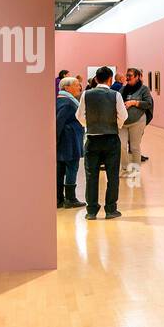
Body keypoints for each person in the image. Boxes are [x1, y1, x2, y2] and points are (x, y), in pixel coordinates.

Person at [75, 66, 127, 220]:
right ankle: (111, 209)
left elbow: (79, 116)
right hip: (111, 139)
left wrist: (89, 125)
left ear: (96, 79)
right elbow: (123, 115)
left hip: (92, 138)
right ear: (110, 79)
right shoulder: (115, 95)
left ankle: (91, 211)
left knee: (91, 175)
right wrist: (114, 125)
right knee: (112, 175)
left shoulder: (86, 94)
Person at [55, 74, 86, 209]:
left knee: (60, 170)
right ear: (67, 88)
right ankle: (70, 199)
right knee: (72, 168)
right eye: (76, 85)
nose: (79, 87)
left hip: (64, 141)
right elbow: (58, 123)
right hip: (69, 142)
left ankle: (59, 198)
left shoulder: (62, 100)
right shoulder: (67, 103)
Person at [118, 67, 153, 177]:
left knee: (134, 147)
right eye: (127, 76)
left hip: (137, 121)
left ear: (137, 77)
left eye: (130, 76)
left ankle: (135, 170)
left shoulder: (144, 89)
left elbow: (148, 103)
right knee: (122, 146)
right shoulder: (123, 89)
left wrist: (134, 102)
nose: (127, 78)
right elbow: (117, 101)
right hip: (123, 122)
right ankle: (124, 168)